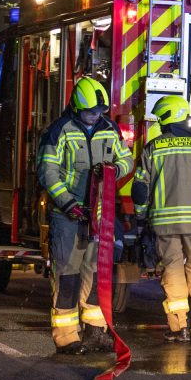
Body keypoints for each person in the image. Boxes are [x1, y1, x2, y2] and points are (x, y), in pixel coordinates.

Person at [38, 76, 134, 354]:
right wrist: (67, 202)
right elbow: (48, 172)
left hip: (99, 216)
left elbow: (125, 159)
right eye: (91, 112)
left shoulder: (109, 128)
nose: (95, 116)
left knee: (95, 272)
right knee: (68, 272)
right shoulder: (59, 131)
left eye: (99, 112)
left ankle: (95, 332)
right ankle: (67, 336)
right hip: (68, 215)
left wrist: (115, 169)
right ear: (77, 108)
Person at [132, 95, 191, 343]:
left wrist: (141, 217)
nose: (160, 123)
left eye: (161, 119)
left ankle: (178, 327)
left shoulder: (153, 148)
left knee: (171, 268)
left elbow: (140, 189)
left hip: (164, 223)